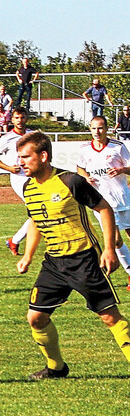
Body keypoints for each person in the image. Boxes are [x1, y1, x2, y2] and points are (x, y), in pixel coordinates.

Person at [16, 131, 130, 380]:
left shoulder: (70, 181)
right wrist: (28, 255)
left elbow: (104, 208)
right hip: (54, 263)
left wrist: (109, 248)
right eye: (19, 157)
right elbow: (35, 220)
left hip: (83, 259)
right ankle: (56, 368)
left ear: (43, 156)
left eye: (26, 157)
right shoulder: (28, 187)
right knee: (36, 318)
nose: (20, 162)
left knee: (109, 317)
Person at [76, 115, 130, 290]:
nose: (97, 132)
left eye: (100, 128)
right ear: (90, 130)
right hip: (101, 203)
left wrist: (122, 169)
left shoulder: (118, 147)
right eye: (93, 128)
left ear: (107, 129)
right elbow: (80, 168)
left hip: (123, 198)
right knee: (115, 240)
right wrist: (86, 177)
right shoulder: (85, 149)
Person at [0, 107, 34, 255]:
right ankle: (14, 241)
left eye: (22, 117)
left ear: (26, 118)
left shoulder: (33, 135)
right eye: (17, 118)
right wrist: (8, 168)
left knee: (39, 210)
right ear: (12, 119)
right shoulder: (7, 138)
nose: (19, 121)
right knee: (37, 210)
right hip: (19, 178)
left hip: (33, 176)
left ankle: (14, 241)